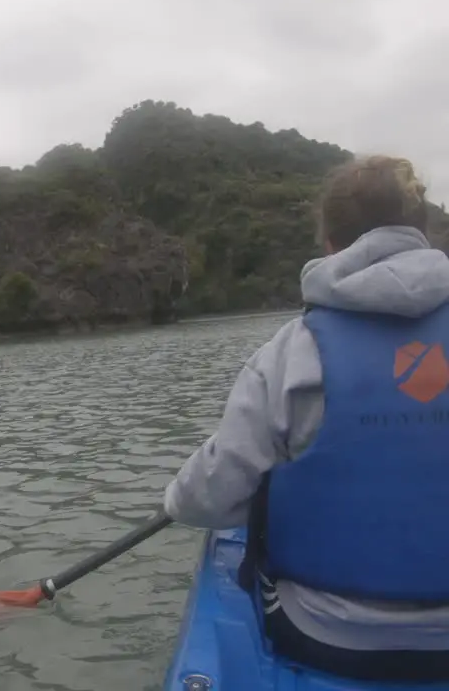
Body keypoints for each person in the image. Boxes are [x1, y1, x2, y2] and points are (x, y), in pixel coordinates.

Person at [163, 154, 449, 682]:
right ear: (423, 234)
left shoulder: (291, 352)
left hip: (325, 635)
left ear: (331, 246)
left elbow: (204, 501)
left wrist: (175, 496)